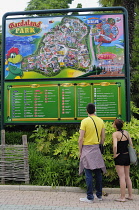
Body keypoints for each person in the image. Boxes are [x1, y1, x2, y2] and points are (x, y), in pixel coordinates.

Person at [78, 103, 106, 203]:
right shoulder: (101, 121)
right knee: (98, 173)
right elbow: (103, 137)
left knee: (88, 173)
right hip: (96, 149)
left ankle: (90, 197)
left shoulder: (84, 121)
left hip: (86, 149)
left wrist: (80, 151)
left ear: (87, 111)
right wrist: (100, 145)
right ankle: (99, 195)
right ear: (95, 110)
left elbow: (81, 138)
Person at [112, 119, 133, 202]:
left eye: (113, 123)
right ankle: (130, 195)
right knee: (127, 176)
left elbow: (115, 146)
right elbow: (131, 144)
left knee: (122, 177)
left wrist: (115, 154)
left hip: (120, 156)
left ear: (115, 126)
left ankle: (122, 197)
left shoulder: (115, 134)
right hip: (127, 155)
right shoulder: (126, 133)